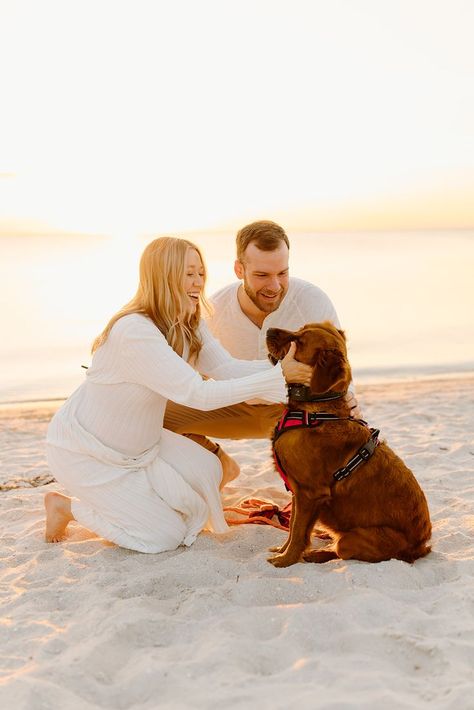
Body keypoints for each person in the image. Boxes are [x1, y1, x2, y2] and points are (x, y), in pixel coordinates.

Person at [44, 236, 312, 554]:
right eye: (189, 273)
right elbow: (195, 393)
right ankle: (66, 508)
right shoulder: (135, 331)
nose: (198, 281)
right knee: (163, 538)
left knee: (211, 472)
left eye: (201, 272)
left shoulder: (188, 321)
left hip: (145, 449)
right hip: (86, 453)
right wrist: (278, 377)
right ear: (163, 275)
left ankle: (139, 500)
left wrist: (291, 377)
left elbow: (226, 368)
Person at [164, 221, 359, 454]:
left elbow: (339, 365)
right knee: (156, 414)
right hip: (233, 408)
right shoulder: (214, 310)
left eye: (282, 273)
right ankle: (218, 462)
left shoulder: (312, 301)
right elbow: (197, 378)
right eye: (262, 275)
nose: (274, 286)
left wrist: (349, 398)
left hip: (294, 408)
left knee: (345, 421)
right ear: (239, 270)